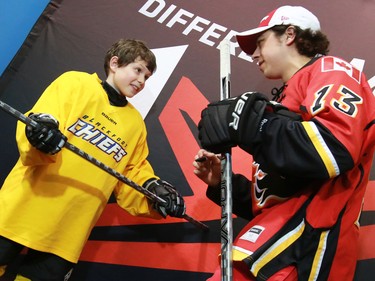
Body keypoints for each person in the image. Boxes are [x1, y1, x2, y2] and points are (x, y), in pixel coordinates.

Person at [193, 5, 375, 281]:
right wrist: (223, 182)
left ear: (289, 34)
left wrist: (254, 125)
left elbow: (332, 149)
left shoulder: (333, 69)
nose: (253, 53)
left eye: (260, 42)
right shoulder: (286, 100)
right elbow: (271, 199)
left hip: (303, 249)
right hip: (272, 246)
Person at [0, 38, 186, 281]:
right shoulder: (75, 83)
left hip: (68, 231)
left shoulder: (135, 124)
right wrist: (40, 132)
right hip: (22, 209)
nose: (142, 81)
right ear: (115, 63)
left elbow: (132, 174)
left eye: (147, 77)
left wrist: (154, 193)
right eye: (138, 70)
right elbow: (40, 120)